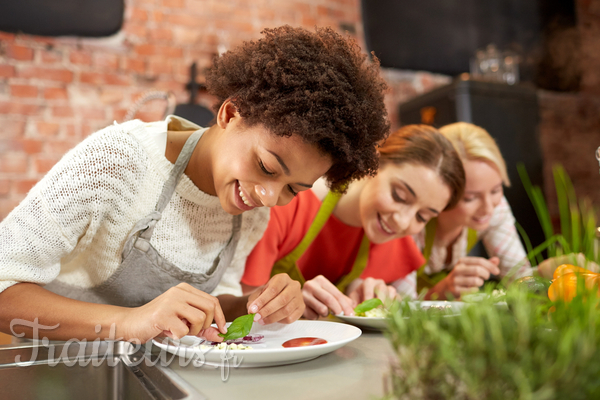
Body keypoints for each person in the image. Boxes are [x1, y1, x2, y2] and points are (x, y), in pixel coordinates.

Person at [0, 26, 390, 343]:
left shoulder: (250, 211)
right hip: (56, 367)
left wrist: (253, 304)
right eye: (267, 167)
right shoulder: (119, 160)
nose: (268, 196)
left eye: (293, 189)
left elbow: (212, 305)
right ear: (231, 112)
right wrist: (133, 322)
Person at [242, 125, 466, 319]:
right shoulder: (288, 204)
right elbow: (237, 304)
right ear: (374, 163)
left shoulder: (396, 242)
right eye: (399, 196)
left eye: (422, 216)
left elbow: (405, 322)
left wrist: (370, 301)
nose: (402, 221)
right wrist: (290, 304)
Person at [406, 122, 532, 300]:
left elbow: (518, 276)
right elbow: (396, 309)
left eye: (496, 190)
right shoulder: (410, 221)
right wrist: (441, 291)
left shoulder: (496, 207)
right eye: (470, 198)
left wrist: (549, 274)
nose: (488, 207)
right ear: (440, 191)